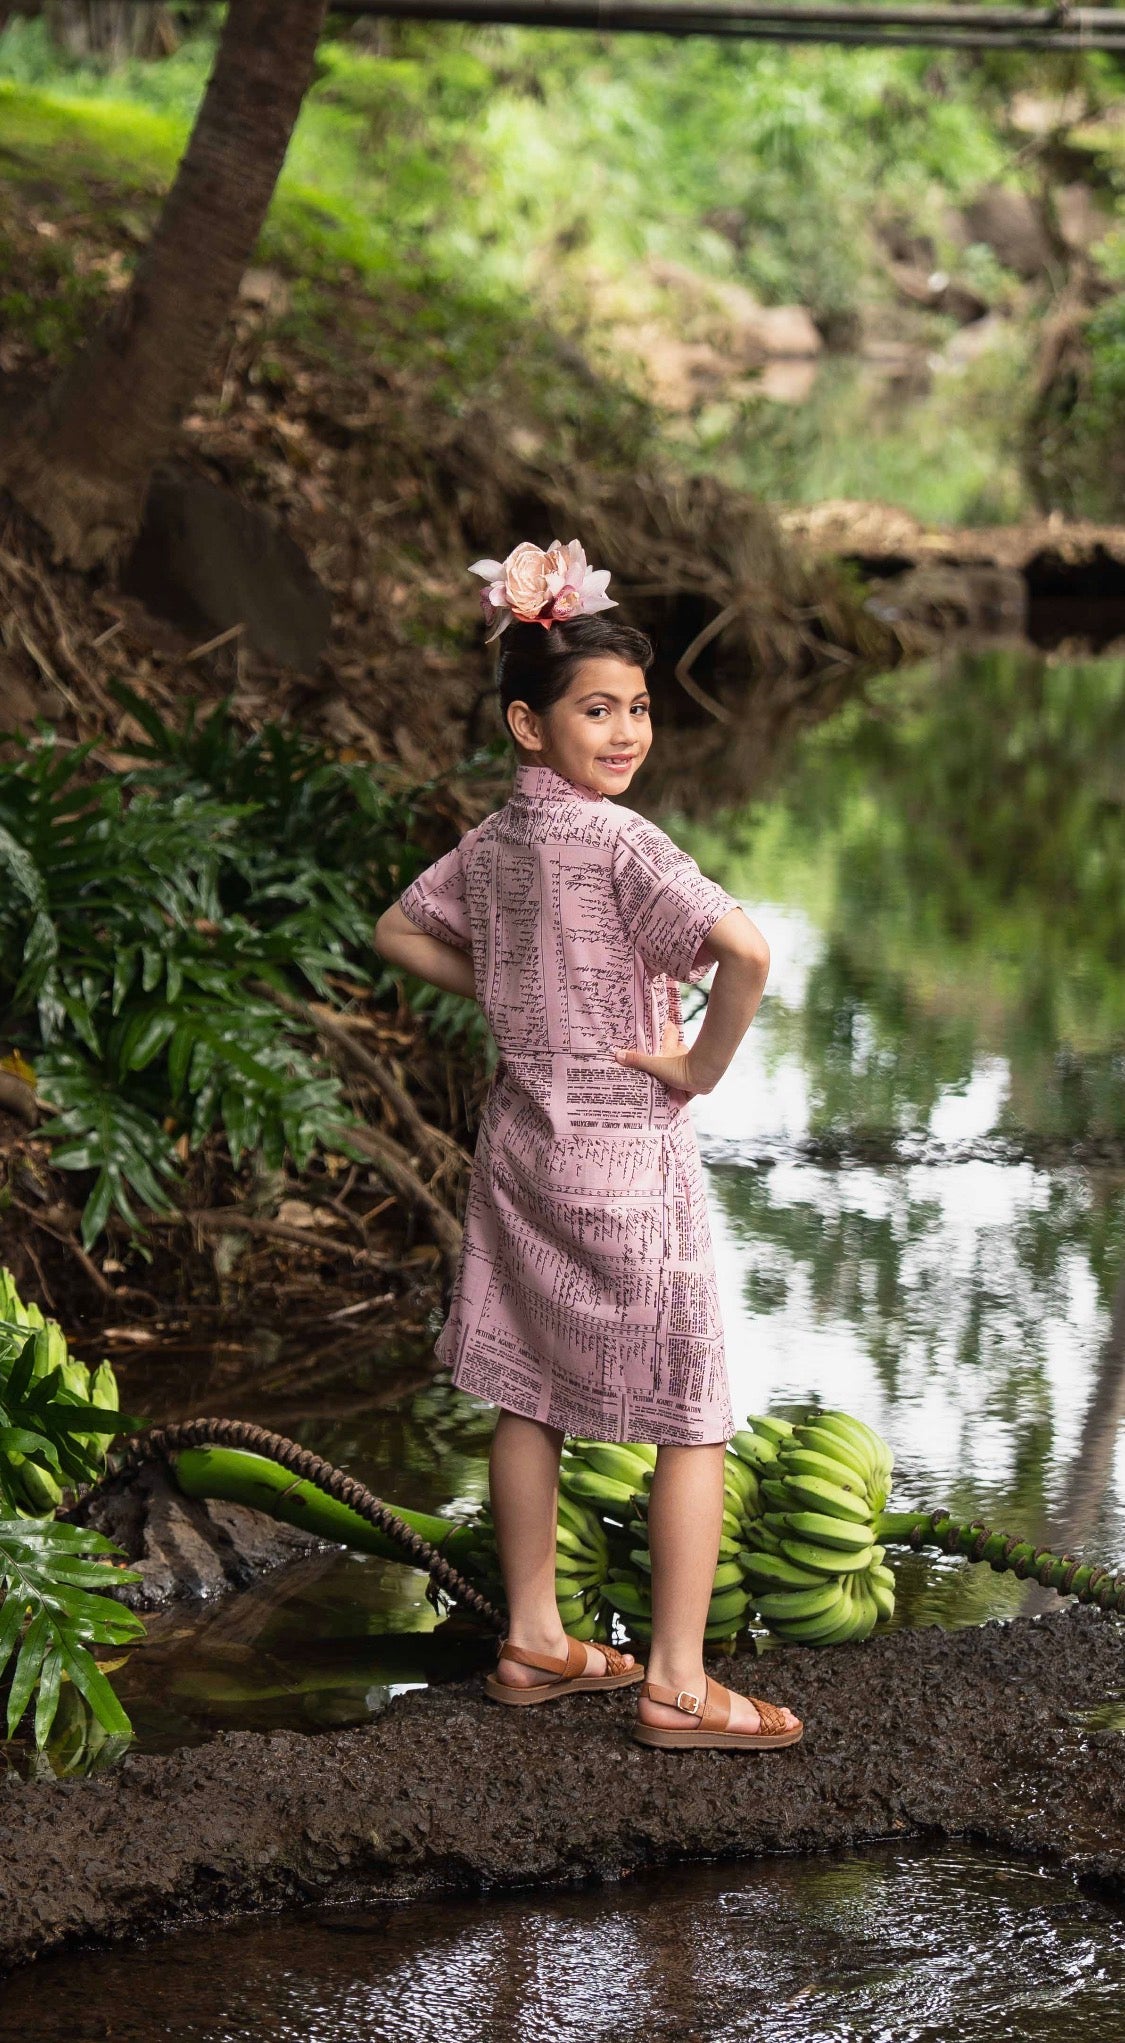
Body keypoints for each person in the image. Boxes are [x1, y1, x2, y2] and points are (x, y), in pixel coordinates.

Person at [375, 538, 802, 1754]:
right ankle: (678, 1683)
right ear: (529, 723)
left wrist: (511, 995)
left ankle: (533, 1639)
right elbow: (748, 950)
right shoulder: (623, 845)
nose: (626, 734)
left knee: (527, 1387)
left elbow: (397, 929)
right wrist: (700, 1069)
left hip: (523, 1145)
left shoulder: (497, 843)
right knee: (691, 1415)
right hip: (625, 1165)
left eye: (639, 709)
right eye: (597, 710)